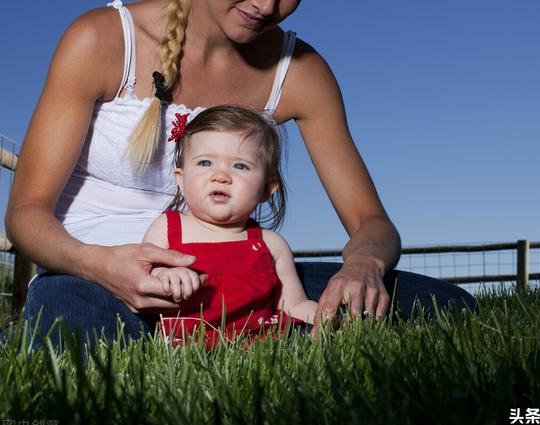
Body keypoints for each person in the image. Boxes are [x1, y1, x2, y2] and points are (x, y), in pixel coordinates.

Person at [5, 0, 475, 345]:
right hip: (95, 271)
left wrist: (363, 267)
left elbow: (372, 223)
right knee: (65, 333)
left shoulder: (301, 71)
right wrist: (100, 265)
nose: (267, 5)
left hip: (237, 271)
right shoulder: (103, 38)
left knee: (444, 304)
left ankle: (226, 329)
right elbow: (26, 214)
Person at [143, 104, 316, 347]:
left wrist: (322, 317)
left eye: (240, 166)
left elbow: (293, 304)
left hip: (260, 343)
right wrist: (164, 274)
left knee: (301, 339)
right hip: (187, 344)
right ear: (180, 180)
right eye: (205, 163)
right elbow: (142, 278)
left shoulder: (270, 244)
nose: (221, 176)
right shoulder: (168, 227)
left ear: (267, 189)